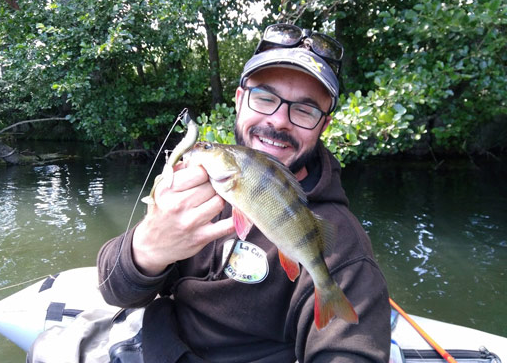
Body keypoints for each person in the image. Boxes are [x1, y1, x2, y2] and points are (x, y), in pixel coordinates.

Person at [98, 23, 391, 362]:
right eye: (265, 98)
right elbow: (113, 289)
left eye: (304, 109)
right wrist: (147, 249)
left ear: (323, 125)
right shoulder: (194, 191)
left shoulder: (343, 244)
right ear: (239, 101)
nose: (280, 121)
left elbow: (350, 353)